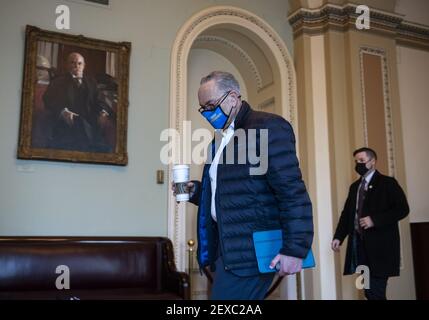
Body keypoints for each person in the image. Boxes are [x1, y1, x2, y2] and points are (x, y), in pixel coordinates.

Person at [173, 71, 313, 300]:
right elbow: (231, 191)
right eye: (203, 108)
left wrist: (295, 249)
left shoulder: (268, 127)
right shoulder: (218, 139)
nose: (208, 113)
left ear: (233, 97)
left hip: (251, 252)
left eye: (211, 105)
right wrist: (196, 191)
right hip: (225, 248)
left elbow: (292, 192)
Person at [331, 147, 409, 300]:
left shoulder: (388, 183)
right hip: (360, 250)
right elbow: (347, 214)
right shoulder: (355, 187)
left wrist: (375, 220)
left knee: (376, 293)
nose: (358, 164)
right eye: (356, 161)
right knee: (367, 291)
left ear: (372, 162)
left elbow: (403, 209)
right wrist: (338, 237)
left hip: (381, 249)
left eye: (361, 160)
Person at [43, 52, 112, 152]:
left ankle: (94, 146)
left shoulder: (91, 82)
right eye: (73, 63)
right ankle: (94, 147)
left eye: (79, 63)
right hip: (67, 125)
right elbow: (48, 99)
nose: (76, 66)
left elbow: (100, 100)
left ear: (84, 66)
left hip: (90, 123)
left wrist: (103, 112)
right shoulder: (58, 82)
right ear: (67, 65)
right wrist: (63, 112)